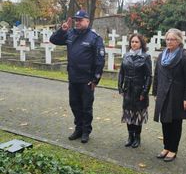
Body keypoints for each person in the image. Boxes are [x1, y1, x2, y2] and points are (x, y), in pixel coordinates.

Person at [50, 10, 105, 143]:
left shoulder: (94, 37)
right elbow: (54, 40)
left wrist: (95, 79)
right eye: (76, 20)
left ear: (87, 21)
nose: (77, 22)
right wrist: (62, 30)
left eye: (80, 20)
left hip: (87, 80)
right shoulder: (71, 33)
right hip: (73, 78)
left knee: (86, 107)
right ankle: (78, 128)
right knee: (74, 104)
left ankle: (86, 131)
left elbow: (100, 60)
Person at [152, 28, 186, 162]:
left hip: (177, 95)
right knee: (165, 121)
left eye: (173, 39)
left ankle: (173, 149)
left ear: (179, 41)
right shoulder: (162, 55)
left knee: (175, 123)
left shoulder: (185, 56)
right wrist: (155, 92)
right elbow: (157, 75)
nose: (170, 42)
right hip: (163, 94)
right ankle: (166, 146)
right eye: (168, 39)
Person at [118, 34, 152, 148]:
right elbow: (121, 72)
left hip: (139, 90)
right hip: (128, 89)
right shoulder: (126, 55)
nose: (134, 44)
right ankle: (130, 136)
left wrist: (144, 92)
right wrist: (120, 87)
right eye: (132, 41)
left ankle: (137, 137)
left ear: (141, 43)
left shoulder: (146, 57)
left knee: (137, 115)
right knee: (128, 114)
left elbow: (149, 76)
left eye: (136, 42)